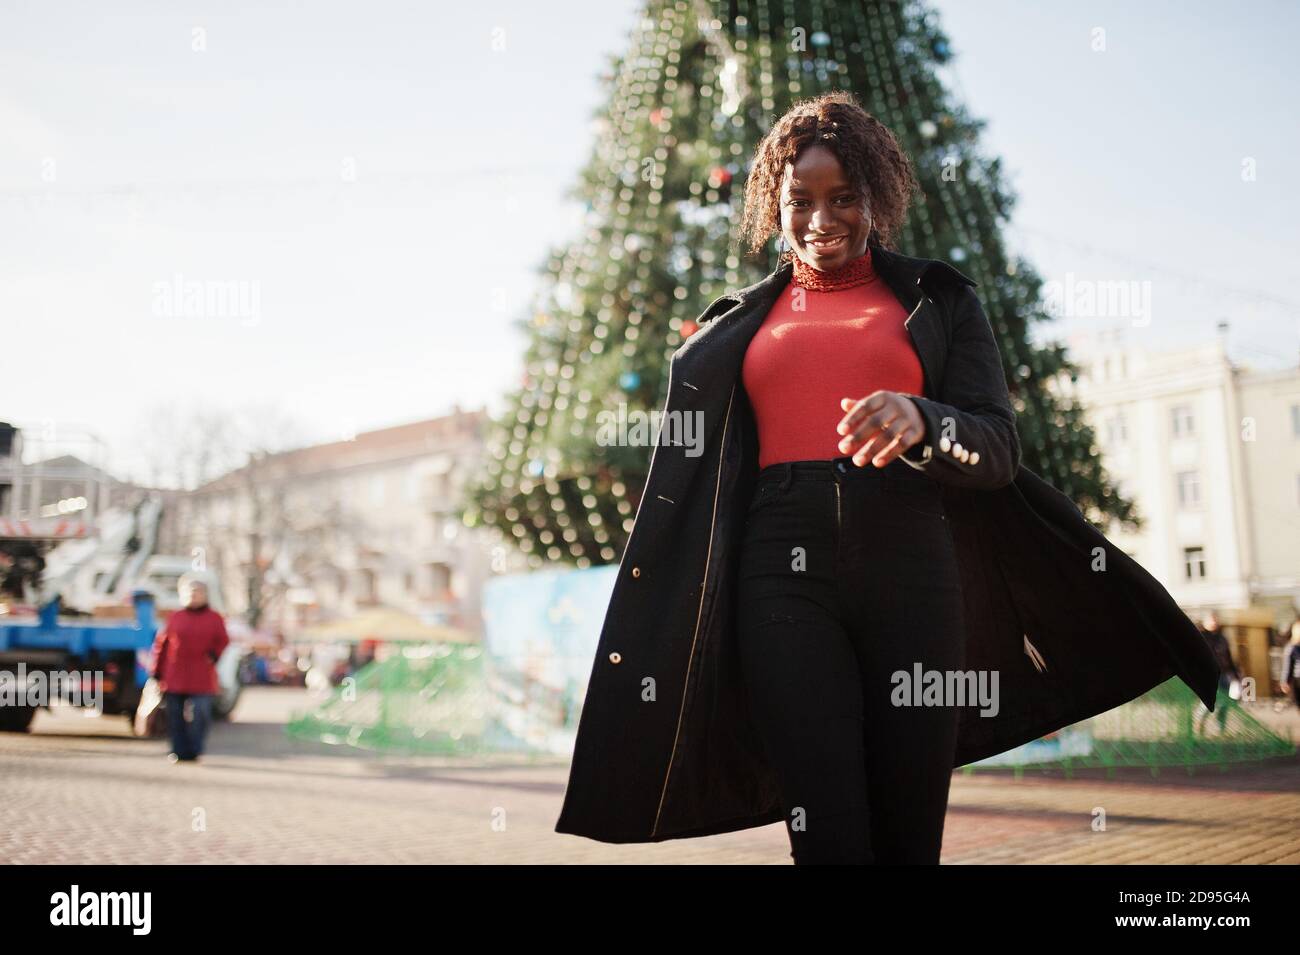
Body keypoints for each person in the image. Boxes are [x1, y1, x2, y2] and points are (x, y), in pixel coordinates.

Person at [713, 91, 1014, 864]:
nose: (823, 219)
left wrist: (927, 420)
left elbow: (999, 443)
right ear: (771, 205)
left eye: (843, 197)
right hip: (779, 571)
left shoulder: (938, 297)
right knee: (824, 826)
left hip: (910, 563)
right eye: (800, 200)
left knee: (908, 827)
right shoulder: (737, 322)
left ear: (874, 194)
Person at [150, 579, 229, 763]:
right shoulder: (175, 617)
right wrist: (156, 671)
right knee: (174, 715)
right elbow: (162, 644)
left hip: (201, 674)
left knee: (201, 713)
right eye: (189, 592)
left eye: (197, 592)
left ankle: (195, 748)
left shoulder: (214, 618)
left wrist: (214, 655)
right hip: (175, 674)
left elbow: (223, 640)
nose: (193, 596)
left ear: (205, 595)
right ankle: (178, 750)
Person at [1195, 610, 1240, 735]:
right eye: (1212, 619)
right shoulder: (1201, 636)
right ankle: (1199, 723)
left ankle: (1221, 730)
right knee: (1209, 701)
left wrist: (1235, 674)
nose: (1214, 622)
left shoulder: (1222, 638)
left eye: (1216, 619)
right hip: (1208, 675)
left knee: (1224, 703)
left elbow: (1229, 657)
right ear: (1205, 622)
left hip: (1224, 675)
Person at [1281, 621, 1300, 712]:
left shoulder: (1290, 647)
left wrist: (1285, 681)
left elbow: (1287, 667)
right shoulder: (1291, 648)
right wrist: (1285, 681)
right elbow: (1287, 666)